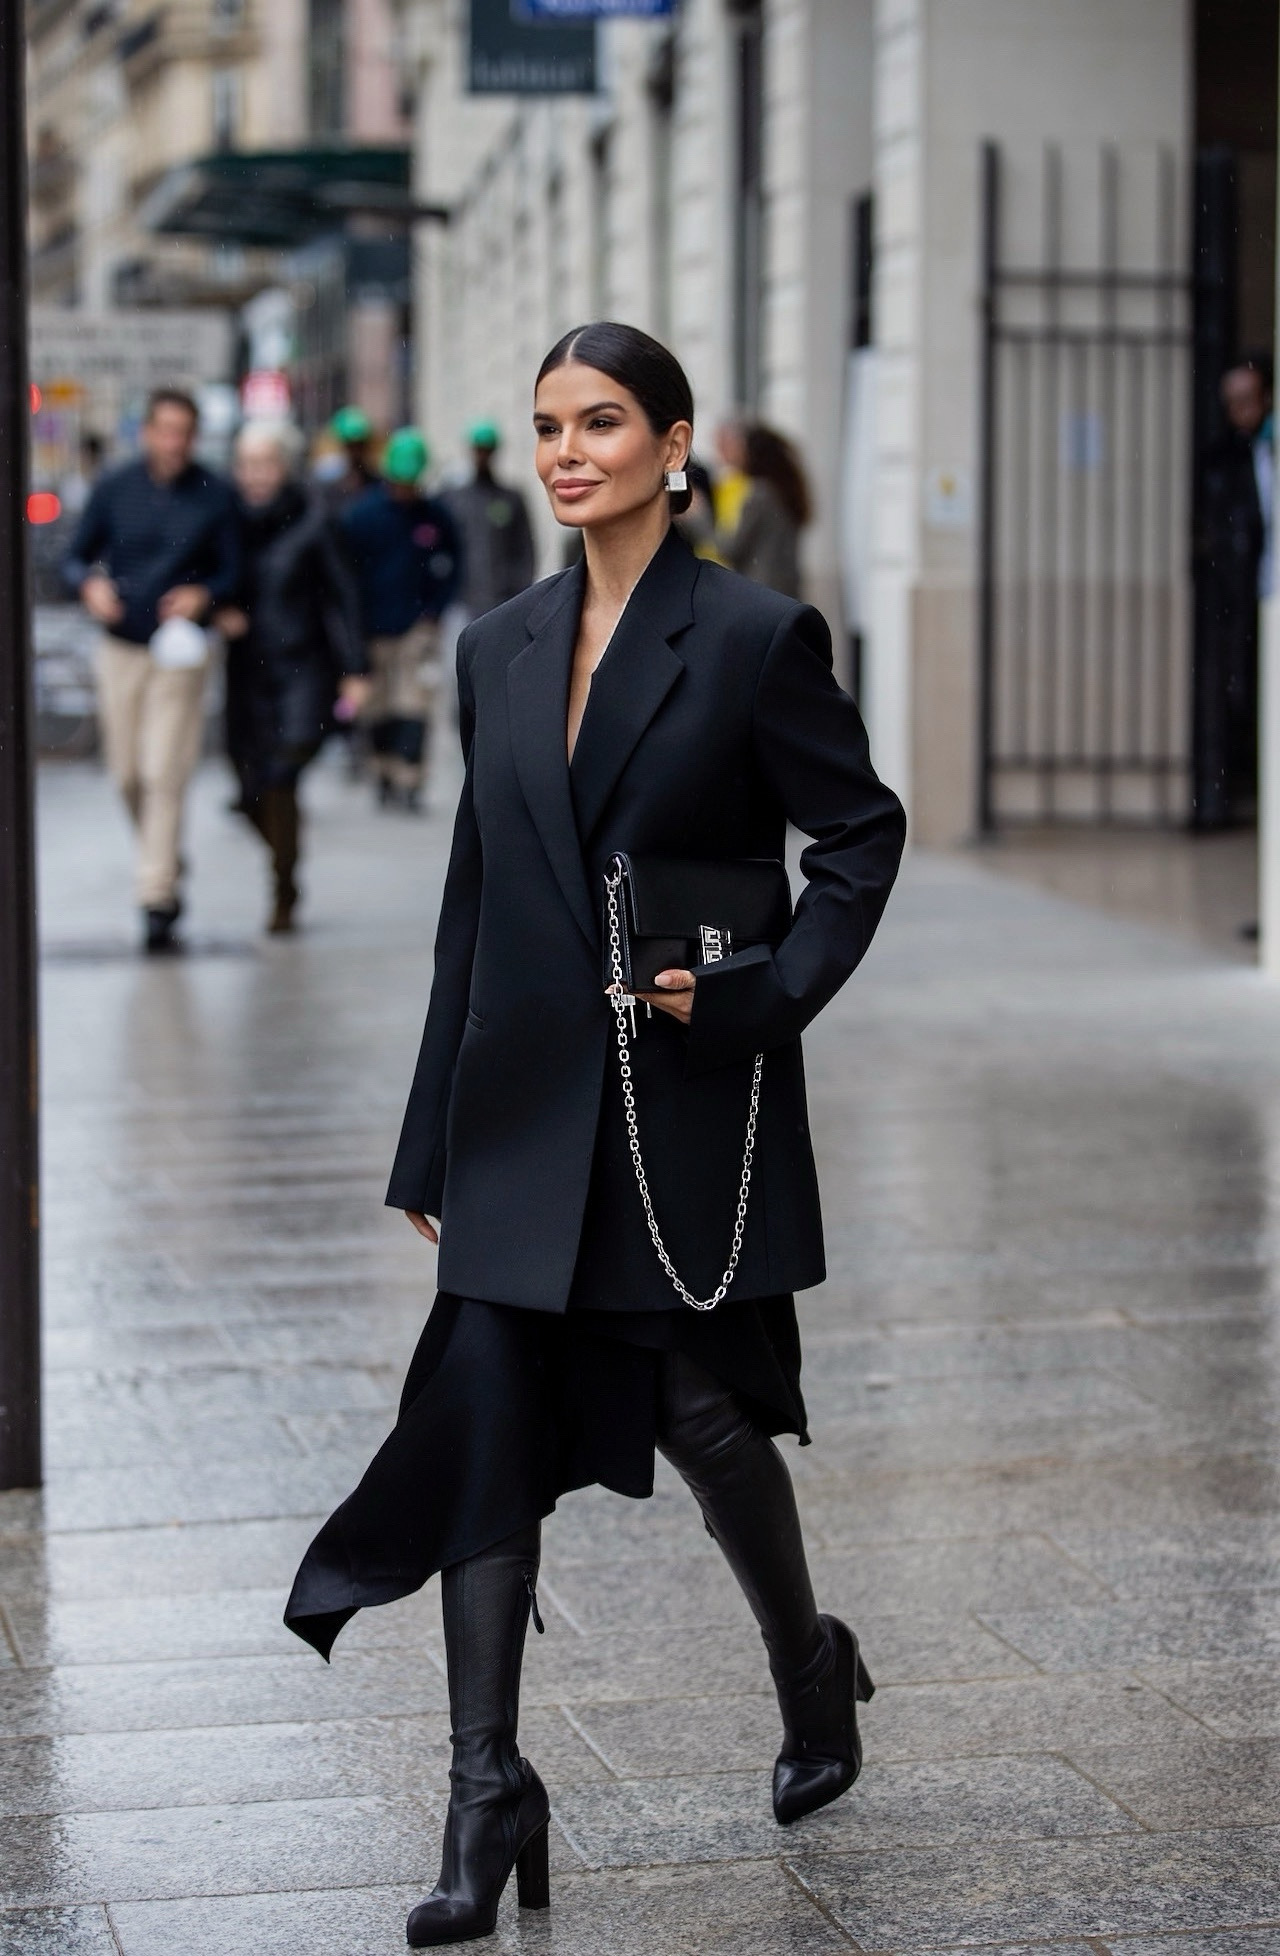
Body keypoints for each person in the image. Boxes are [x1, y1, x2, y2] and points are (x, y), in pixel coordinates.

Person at [285, 321, 905, 1949]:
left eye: (604, 422)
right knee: (489, 1407)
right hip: (514, 1107)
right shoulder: (500, 642)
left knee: (702, 1410)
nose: (569, 450)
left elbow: (857, 838)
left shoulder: (759, 635)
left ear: (674, 443)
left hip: (673, 1104)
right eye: (551, 424)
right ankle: (485, 1788)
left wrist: (766, 993)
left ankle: (809, 1666)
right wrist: (430, 1141)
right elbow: (473, 900)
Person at [62, 387, 241, 953]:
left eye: (184, 432)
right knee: (127, 774)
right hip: (119, 646)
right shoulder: (115, 487)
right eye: (165, 430)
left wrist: (203, 596)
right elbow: (74, 555)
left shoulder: (216, 492)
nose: (174, 443)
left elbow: (236, 571)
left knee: (165, 770)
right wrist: (88, 585)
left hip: (180, 651)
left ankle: (156, 896)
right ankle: (162, 857)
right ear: (147, 432)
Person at [215, 423, 370, 934]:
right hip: (246, 674)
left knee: (284, 771)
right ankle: (286, 867)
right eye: (246, 465)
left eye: (265, 464)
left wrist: (355, 669)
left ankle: (283, 886)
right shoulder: (227, 523)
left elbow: (344, 596)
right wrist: (215, 611)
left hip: (304, 668)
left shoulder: (315, 520)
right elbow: (204, 582)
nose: (255, 476)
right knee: (251, 790)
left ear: (284, 467)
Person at [341, 428, 463, 812]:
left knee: (414, 704)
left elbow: (456, 560)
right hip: (372, 625)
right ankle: (383, 771)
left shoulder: (434, 515)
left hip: (417, 625)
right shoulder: (361, 516)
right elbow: (344, 576)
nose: (406, 490)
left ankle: (410, 778)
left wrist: (436, 609)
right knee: (378, 707)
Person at [1196, 351, 1274, 828]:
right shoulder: (1224, 459)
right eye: (1233, 402)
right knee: (1234, 700)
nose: (1241, 411)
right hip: (1243, 600)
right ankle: (1220, 802)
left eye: (1248, 399)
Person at [442, 419, 537, 622]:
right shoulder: (454, 498)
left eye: (486, 450)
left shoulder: (510, 498)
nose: (482, 456)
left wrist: (520, 589)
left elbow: (525, 548)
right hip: (462, 600)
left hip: (502, 598)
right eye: (478, 450)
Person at [722, 422, 812, 600]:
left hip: (761, 592)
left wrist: (698, 518)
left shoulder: (760, 494)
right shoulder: (785, 490)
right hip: (787, 591)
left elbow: (731, 549)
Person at [316, 403, 379, 512]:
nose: (355, 452)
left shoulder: (374, 480)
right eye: (350, 446)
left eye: (359, 445)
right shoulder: (326, 476)